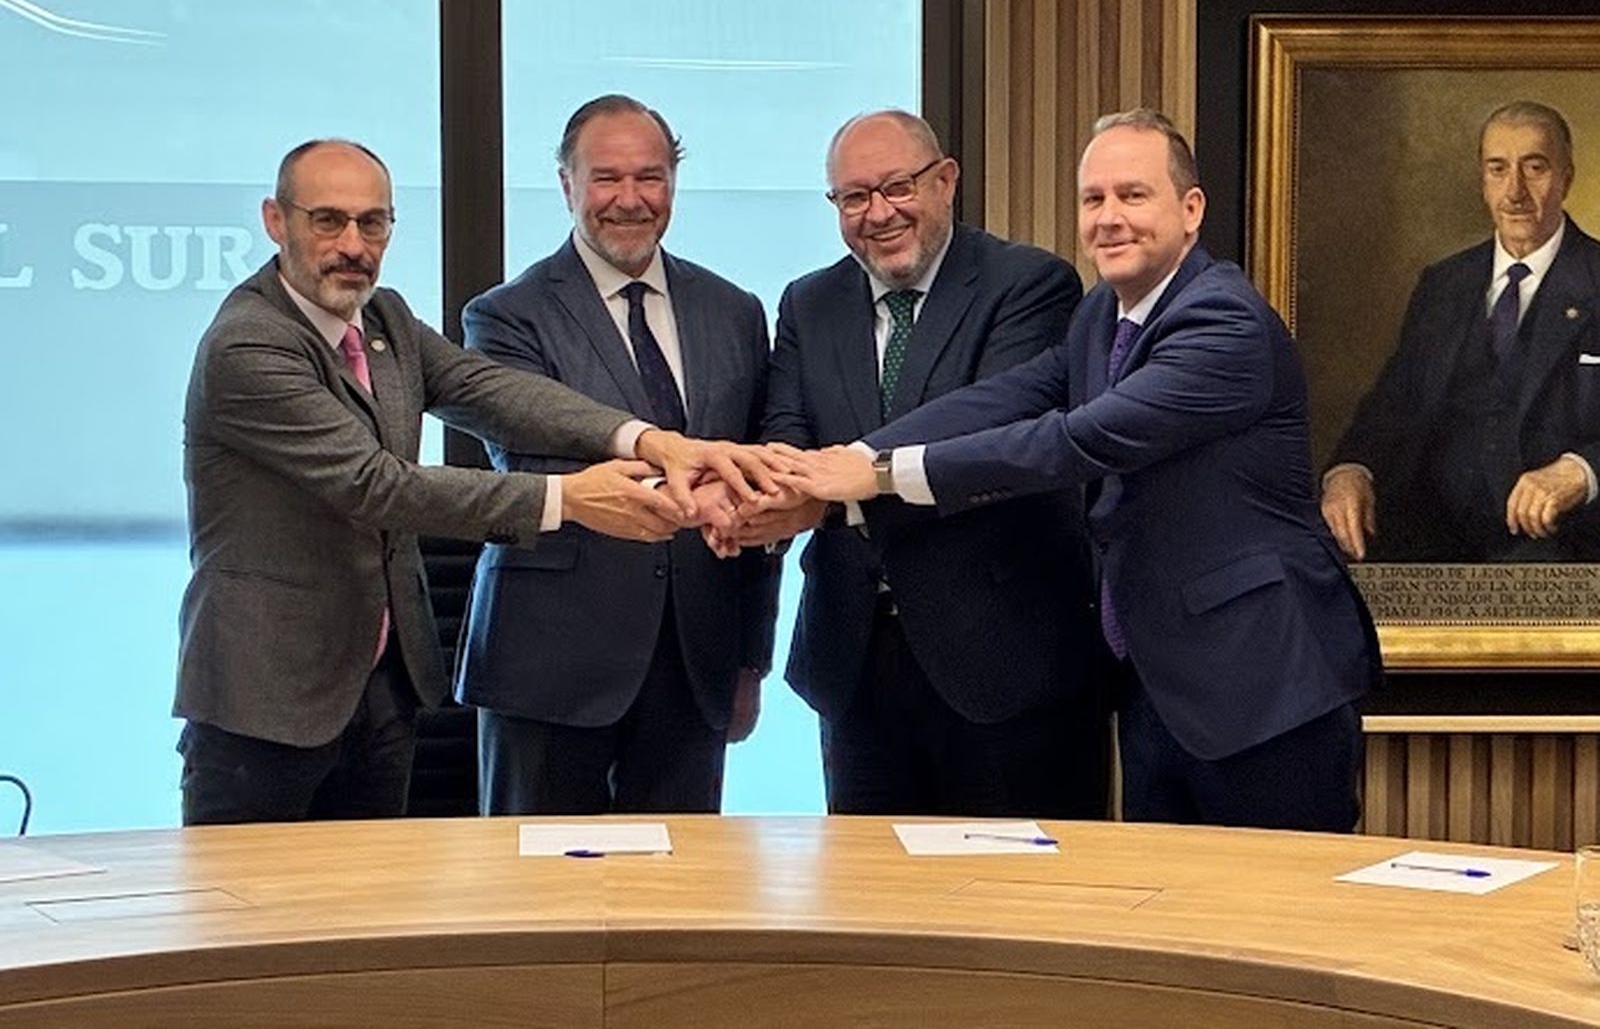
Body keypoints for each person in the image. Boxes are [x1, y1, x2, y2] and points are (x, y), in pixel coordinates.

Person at [772, 109, 1381, 831]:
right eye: (1094, 200)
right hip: (1160, 685)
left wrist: (878, 475)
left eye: (1133, 195)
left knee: (1277, 920)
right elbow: (1007, 397)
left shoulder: (1224, 322)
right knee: (1163, 921)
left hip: (1265, 684)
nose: (1109, 219)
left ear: (1190, 210)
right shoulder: (1103, 314)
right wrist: (850, 459)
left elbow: (1074, 442)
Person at [175, 137, 768, 825]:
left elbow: (486, 388)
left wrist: (646, 439)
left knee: (368, 912)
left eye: (374, 222)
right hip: (263, 699)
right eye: (328, 220)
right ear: (277, 221)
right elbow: (379, 485)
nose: (353, 244)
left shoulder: (384, 317)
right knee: (251, 917)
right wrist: (567, 499)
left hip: (380, 686)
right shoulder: (249, 343)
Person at [711, 108, 1108, 819]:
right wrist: (764, 503)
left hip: (1004, 661)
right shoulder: (810, 301)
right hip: (855, 665)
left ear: (946, 180)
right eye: (854, 197)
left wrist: (836, 496)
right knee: (875, 909)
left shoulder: (1029, 285)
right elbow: (787, 436)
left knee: (1013, 906)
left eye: (898, 187)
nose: (879, 213)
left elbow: (996, 442)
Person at [454, 96, 778, 814]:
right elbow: (537, 461)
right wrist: (697, 492)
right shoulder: (507, 315)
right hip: (550, 665)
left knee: (677, 902)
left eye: (651, 178)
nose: (629, 200)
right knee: (537, 897)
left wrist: (749, 656)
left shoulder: (735, 311)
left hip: (696, 662)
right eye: (606, 179)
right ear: (567, 184)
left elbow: (755, 490)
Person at [1322, 100, 1600, 563]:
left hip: (1567, 547)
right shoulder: (1444, 284)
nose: (1515, 192)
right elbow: (1394, 404)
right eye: (1498, 169)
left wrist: (1585, 471)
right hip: (1434, 541)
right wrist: (1351, 470)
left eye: (1534, 168)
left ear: (1567, 178)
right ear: (1482, 182)